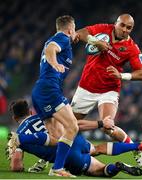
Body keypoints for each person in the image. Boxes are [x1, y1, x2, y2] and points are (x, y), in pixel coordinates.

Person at [71, 13, 142, 166]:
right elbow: (80, 33)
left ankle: (135, 147)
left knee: (108, 126)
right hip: (86, 87)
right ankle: (45, 159)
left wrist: (121, 75)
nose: (125, 29)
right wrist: (95, 41)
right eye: (122, 25)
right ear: (116, 23)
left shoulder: (132, 48)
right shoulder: (103, 29)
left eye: (129, 28)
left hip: (109, 90)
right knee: (68, 125)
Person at [7, 99, 142, 177]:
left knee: (100, 171)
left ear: (14, 118)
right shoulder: (44, 116)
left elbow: (16, 166)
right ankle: (135, 145)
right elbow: (72, 124)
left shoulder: (19, 134)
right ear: (30, 111)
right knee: (95, 148)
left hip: (66, 155)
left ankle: (116, 167)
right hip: (74, 139)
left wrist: (18, 149)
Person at [31, 15, 79, 177]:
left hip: (40, 90)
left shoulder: (60, 39)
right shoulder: (62, 38)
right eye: (74, 29)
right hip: (49, 90)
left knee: (57, 136)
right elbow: (50, 48)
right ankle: (57, 168)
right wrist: (54, 63)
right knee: (73, 127)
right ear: (70, 29)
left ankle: (23, 143)